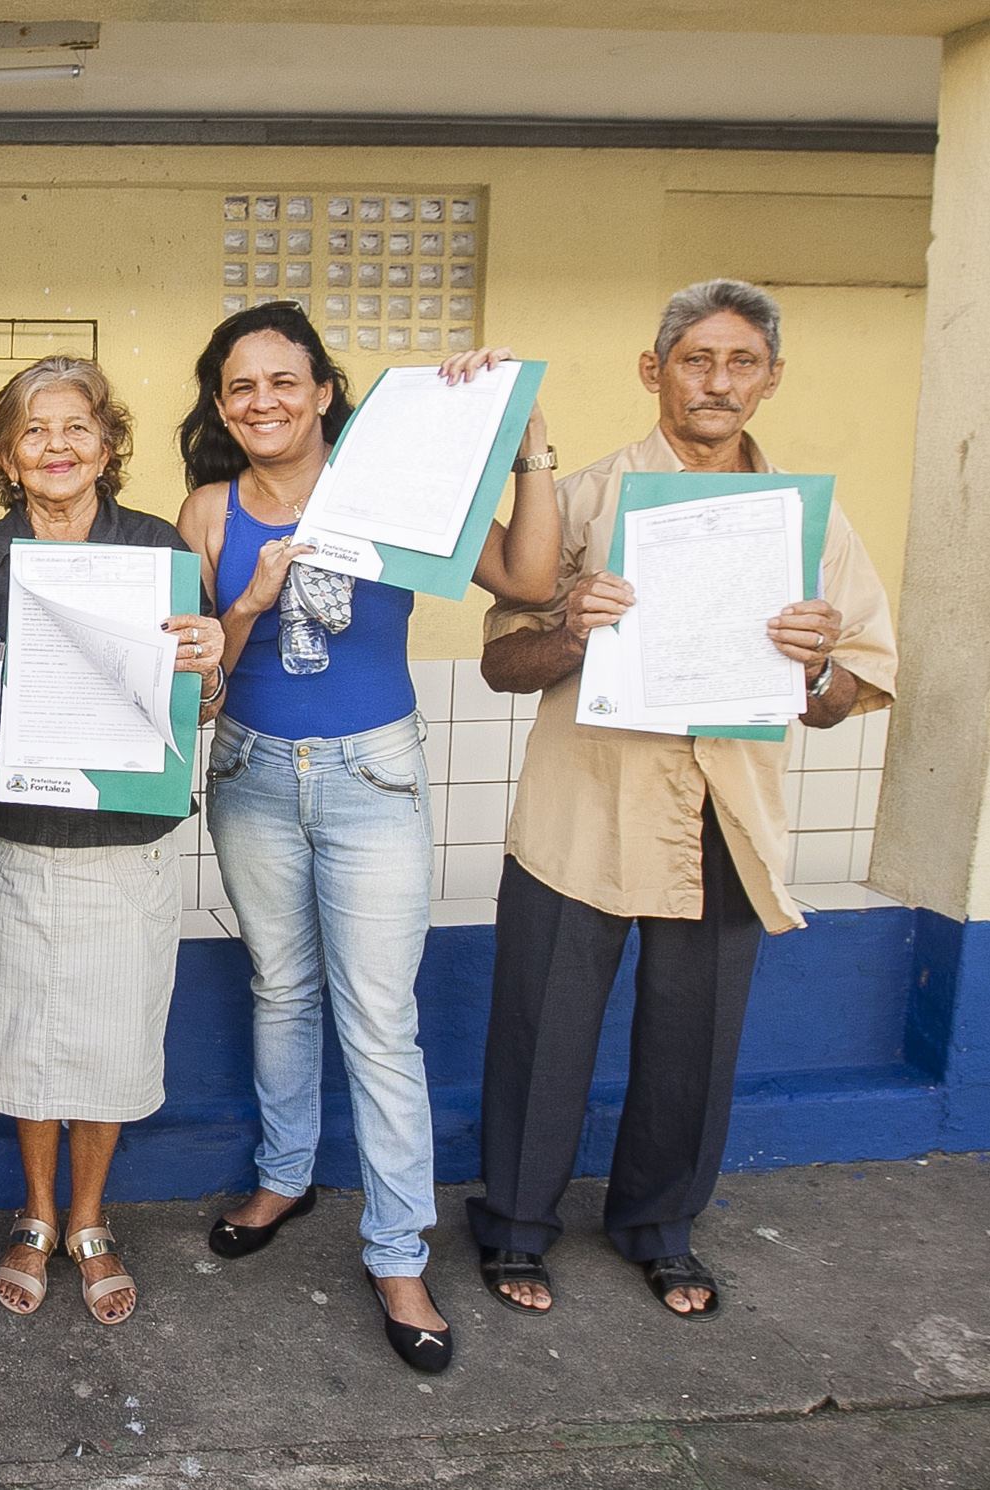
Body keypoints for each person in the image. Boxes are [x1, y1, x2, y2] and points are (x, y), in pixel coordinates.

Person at [468, 279, 897, 1321]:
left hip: (724, 813)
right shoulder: (582, 500)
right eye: (693, 359)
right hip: (584, 805)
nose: (714, 381)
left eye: (737, 361)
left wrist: (806, 668)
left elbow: (849, 689)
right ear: (652, 370)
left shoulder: (810, 520)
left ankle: (657, 1228)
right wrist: (569, 627)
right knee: (542, 1028)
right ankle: (516, 1225)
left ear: (768, 379)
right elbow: (500, 663)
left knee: (691, 1040)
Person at [174, 302, 561, 1375]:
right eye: (240, 386)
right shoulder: (206, 510)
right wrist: (245, 603)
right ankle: (284, 1173)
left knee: (379, 1020)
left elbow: (528, 581)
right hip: (247, 770)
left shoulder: (395, 478)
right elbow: (194, 686)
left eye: (282, 381)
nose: (262, 401)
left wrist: (519, 433)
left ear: (323, 389)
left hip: (372, 776)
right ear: (220, 403)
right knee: (280, 991)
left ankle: (397, 1251)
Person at [0, 356, 226, 1326]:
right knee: (25, 1029)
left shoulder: (153, 549)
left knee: (109, 1032)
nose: (55, 446)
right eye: (33, 430)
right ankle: (32, 1210)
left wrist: (211, 657)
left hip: (127, 838)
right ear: (4, 453)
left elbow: (197, 702)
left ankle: (89, 1216)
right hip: (14, 836)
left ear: (107, 443)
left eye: (75, 427)